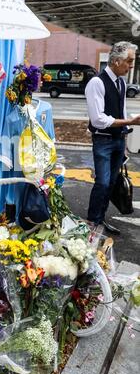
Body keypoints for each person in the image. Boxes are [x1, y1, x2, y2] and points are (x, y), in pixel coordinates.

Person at [85, 41, 140, 235]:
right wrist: (130, 121)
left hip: (117, 140)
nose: (131, 65)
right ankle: (92, 222)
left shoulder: (122, 83)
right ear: (116, 61)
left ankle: (100, 219)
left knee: (111, 183)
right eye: (129, 61)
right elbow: (98, 119)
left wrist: (126, 130)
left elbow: (121, 110)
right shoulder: (96, 82)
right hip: (103, 140)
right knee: (102, 182)